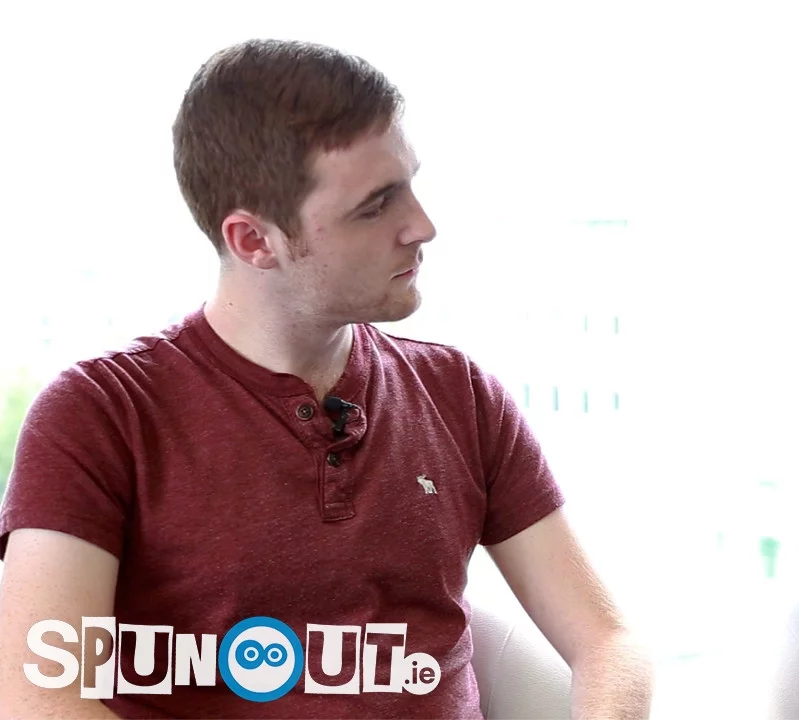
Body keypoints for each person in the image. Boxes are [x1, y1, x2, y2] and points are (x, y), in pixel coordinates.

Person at [0, 39, 653, 718]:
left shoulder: (459, 394)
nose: (422, 226)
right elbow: (41, 700)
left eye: (410, 184)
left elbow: (607, 641)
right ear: (254, 241)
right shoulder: (99, 416)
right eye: (375, 206)